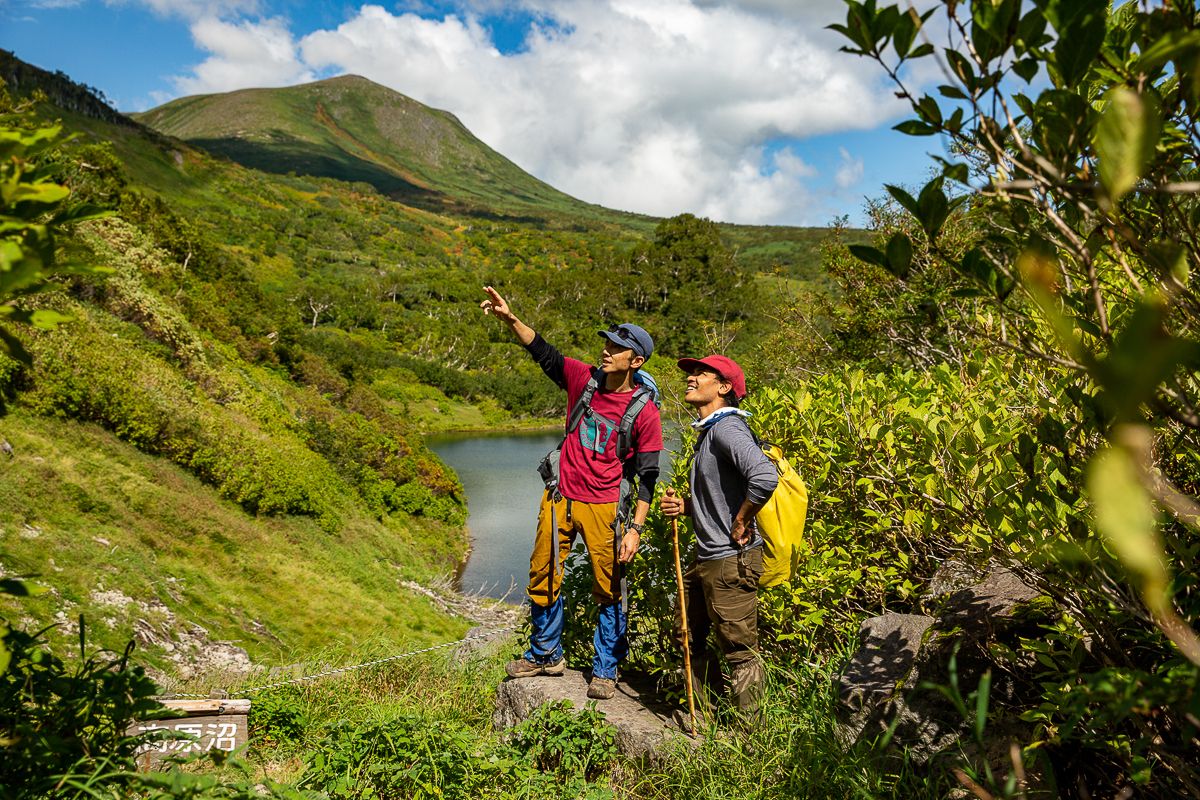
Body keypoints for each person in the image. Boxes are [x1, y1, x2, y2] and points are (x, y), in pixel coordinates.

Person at [479, 285, 663, 700]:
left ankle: (605, 669)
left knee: (609, 586)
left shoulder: (643, 412)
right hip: (560, 496)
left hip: (603, 507)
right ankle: (546, 655)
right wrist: (510, 318)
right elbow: (543, 351)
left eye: (618, 347)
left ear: (636, 361)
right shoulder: (584, 379)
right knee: (543, 572)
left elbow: (647, 477)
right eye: (608, 342)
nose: (607, 350)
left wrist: (635, 530)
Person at [660, 354, 777, 719]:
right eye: (691, 373)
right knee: (687, 636)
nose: (691, 379)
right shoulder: (710, 431)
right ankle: (706, 717)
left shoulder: (727, 429)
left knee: (739, 651)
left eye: (701, 374)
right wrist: (688, 507)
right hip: (707, 557)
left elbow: (765, 477)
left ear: (724, 387)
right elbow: (721, 496)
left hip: (731, 559)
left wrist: (742, 521)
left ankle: (749, 740)